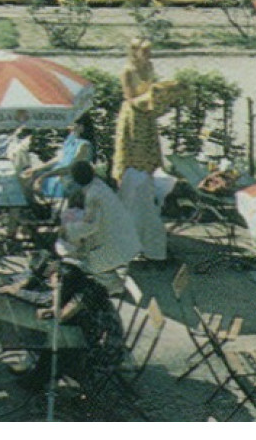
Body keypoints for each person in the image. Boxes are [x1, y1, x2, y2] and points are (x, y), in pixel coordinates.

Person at [0, 257, 124, 394]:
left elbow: (61, 317)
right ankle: (38, 377)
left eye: (54, 279)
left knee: (56, 346)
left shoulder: (83, 296)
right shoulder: (76, 287)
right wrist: (17, 292)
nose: (50, 281)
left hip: (102, 350)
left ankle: (39, 381)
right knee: (53, 341)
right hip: (88, 333)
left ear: (64, 282)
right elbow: (47, 299)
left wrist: (55, 300)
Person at [113, 38, 182, 260]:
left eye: (150, 51)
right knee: (133, 164)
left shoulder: (149, 67)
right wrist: (152, 94)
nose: (149, 55)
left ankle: (149, 200)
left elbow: (153, 93)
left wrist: (164, 95)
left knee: (150, 163)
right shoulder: (127, 71)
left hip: (147, 115)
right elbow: (131, 99)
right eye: (145, 52)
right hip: (134, 117)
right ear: (135, 52)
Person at [56, 167, 142, 281]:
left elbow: (90, 226)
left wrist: (67, 229)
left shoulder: (93, 196)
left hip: (118, 247)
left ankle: (113, 285)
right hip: (126, 239)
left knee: (80, 262)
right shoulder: (98, 185)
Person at [25, 113, 97, 204]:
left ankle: (47, 209)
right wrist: (35, 169)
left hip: (70, 180)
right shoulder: (71, 140)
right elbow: (59, 158)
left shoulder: (84, 145)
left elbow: (71, 168)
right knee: (30, 179)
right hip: (58, 175)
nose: (69, 126)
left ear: (81, 127)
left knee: (36, 182)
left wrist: (45, 176)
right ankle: (41, 209)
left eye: (72, 124)